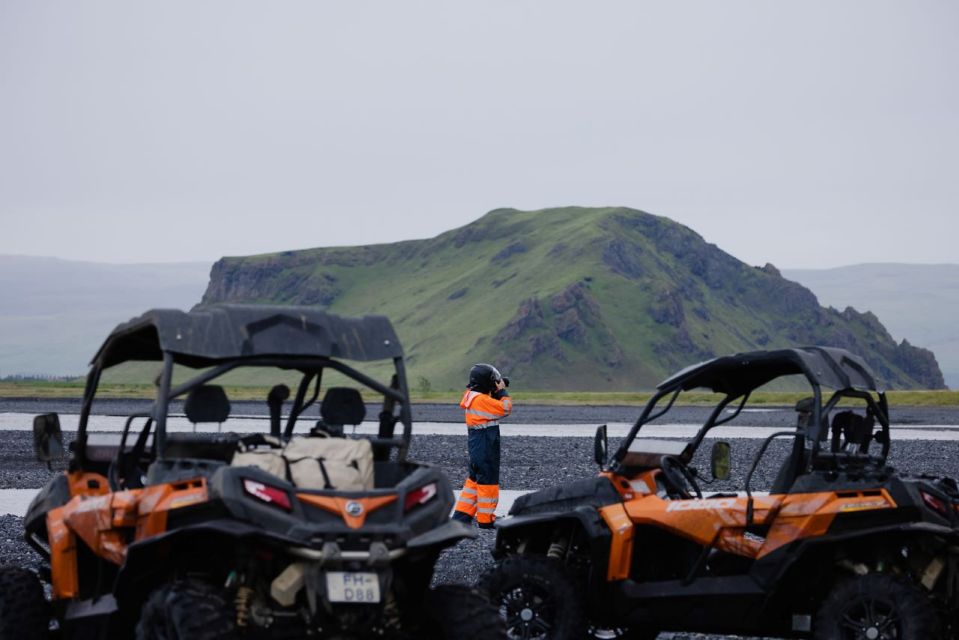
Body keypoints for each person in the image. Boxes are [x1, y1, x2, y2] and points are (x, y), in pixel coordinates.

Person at [451, 363, 512, 529]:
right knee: (488, 481)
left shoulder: (471, 396)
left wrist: (496, 389)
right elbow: (505, 408)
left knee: (474, 480)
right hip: (486, 445)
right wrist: (502, 392)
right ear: (486, 382)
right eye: (493, 380)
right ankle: (486, 519)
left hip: (476, 445)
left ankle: (461, 516)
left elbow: (487, 400)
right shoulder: (482, 400)